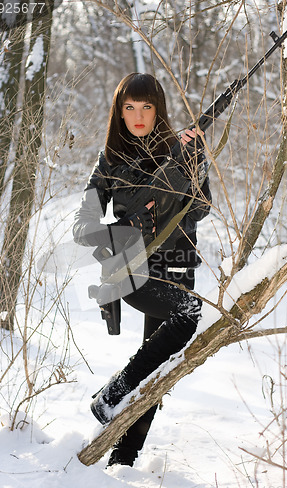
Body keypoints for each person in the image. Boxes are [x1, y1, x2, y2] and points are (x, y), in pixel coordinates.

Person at [73, 73, 212, 467]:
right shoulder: (111, 160)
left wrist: (191, 165)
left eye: (146, 107)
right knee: (189, 313)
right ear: (119, 112)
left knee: (154, 368)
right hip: (133, 268)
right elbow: (82, 226)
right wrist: (126, 230)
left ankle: (124, 457)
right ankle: (116, 392)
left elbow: (201, 208)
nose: (138, 115)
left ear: (158, 110)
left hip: (179, 266)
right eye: (129, 107)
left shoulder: (181, 149)